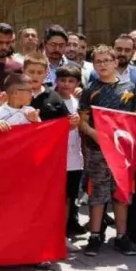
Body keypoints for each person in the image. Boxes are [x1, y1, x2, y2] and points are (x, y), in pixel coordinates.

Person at [79, 45, 136, 256]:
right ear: (94, 65)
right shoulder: (90, 90)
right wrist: (95, 134)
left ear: (116, 62)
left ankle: (121, 236)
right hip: (97, 150)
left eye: (107, 60)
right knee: (97, 193)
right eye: (98, 61)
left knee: (121, 193)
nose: (103, 65)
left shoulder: (130, 88)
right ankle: (95, 235)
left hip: (122, 152)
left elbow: (134, 118)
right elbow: (82, 122)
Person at [55, 65, 86, 238]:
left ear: (77, 83)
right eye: (63, 80)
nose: (66, 84)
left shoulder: (78, 103)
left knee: (68, 198)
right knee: (55, 198)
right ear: (56, 81)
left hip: (74, 159)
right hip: (55, 158)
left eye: (71, 81)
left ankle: (63, 234)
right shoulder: (51, 99)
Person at [25, 53, 70, 122]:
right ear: (23, 71)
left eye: (39, 73)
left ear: (46, 73)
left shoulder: (55, 97)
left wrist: (73, 122)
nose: (35, 76)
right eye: (31, 72)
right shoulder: (13, 95)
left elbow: (66, 122)